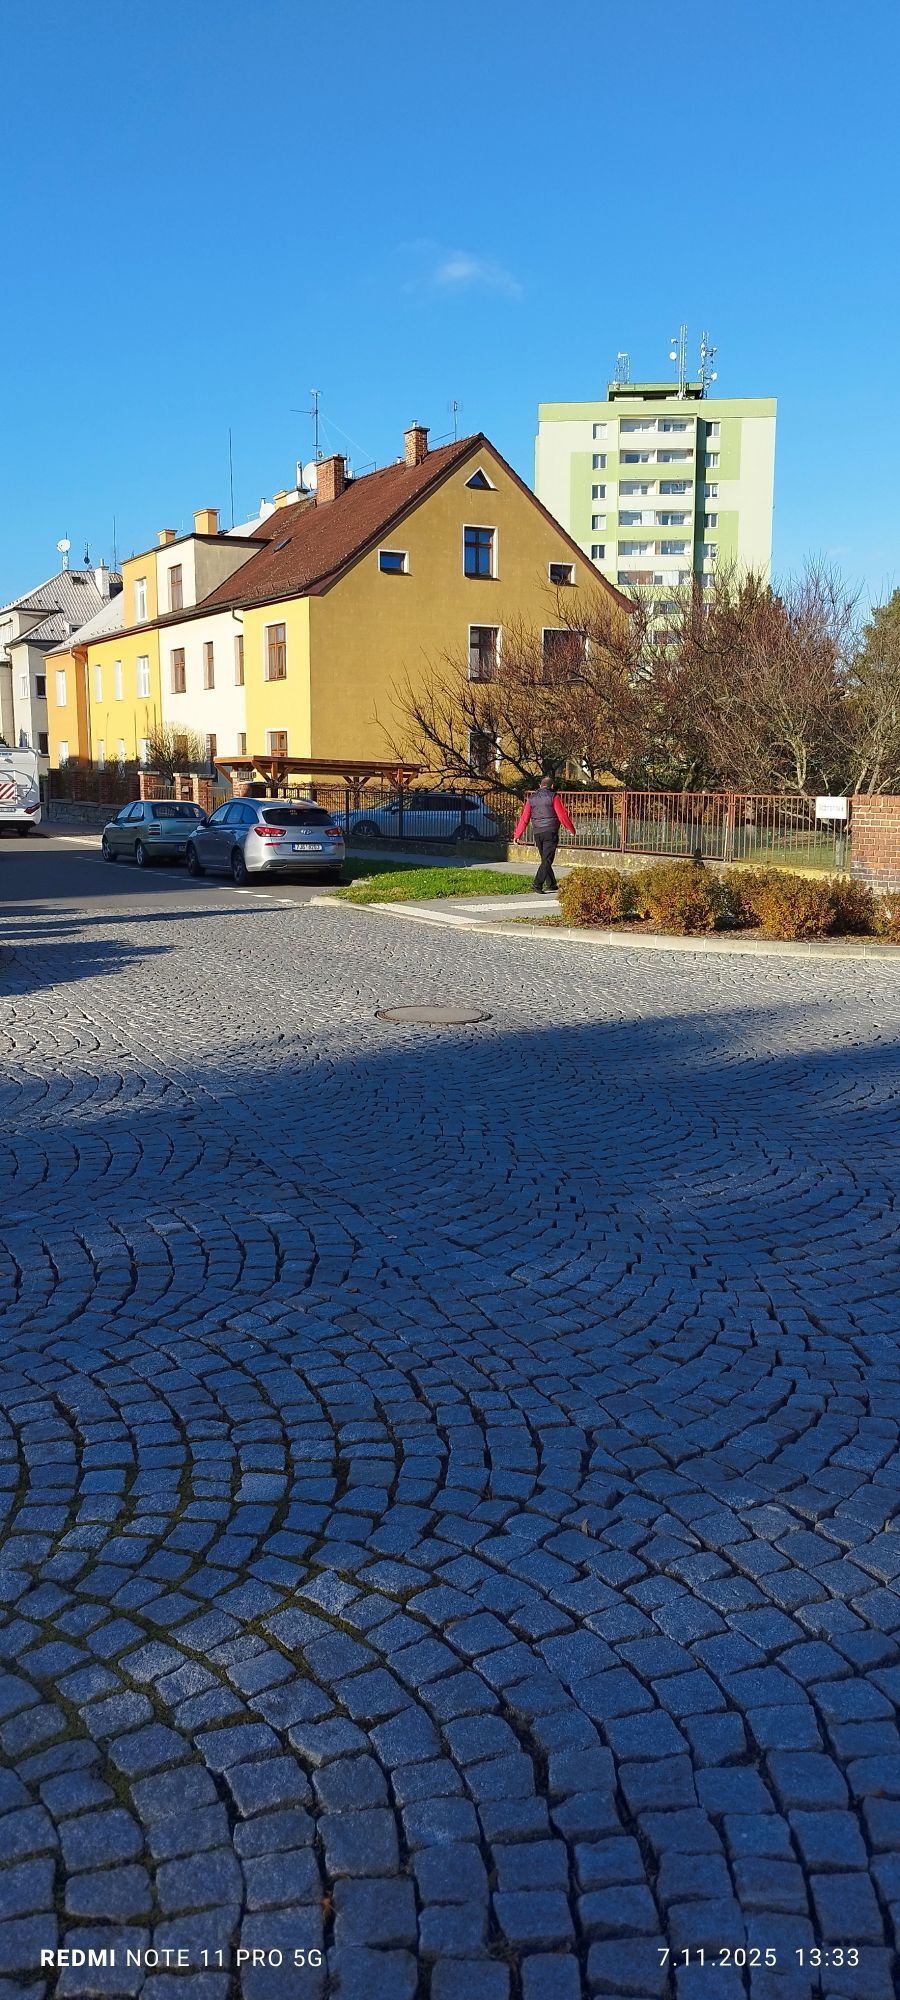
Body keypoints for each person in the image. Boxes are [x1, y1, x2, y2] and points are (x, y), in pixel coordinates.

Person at [513, 776, 576, 892]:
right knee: (547, 860)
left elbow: (524, 818)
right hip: (550, 831)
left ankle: (551, 883)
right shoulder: (554, 796)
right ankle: (537, 884)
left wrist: (517, 834)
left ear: (540, 785)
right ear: (552, 786)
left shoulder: (531, 798)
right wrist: (571, 829)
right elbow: (562, 815)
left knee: (545, 859)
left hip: (537, 832)